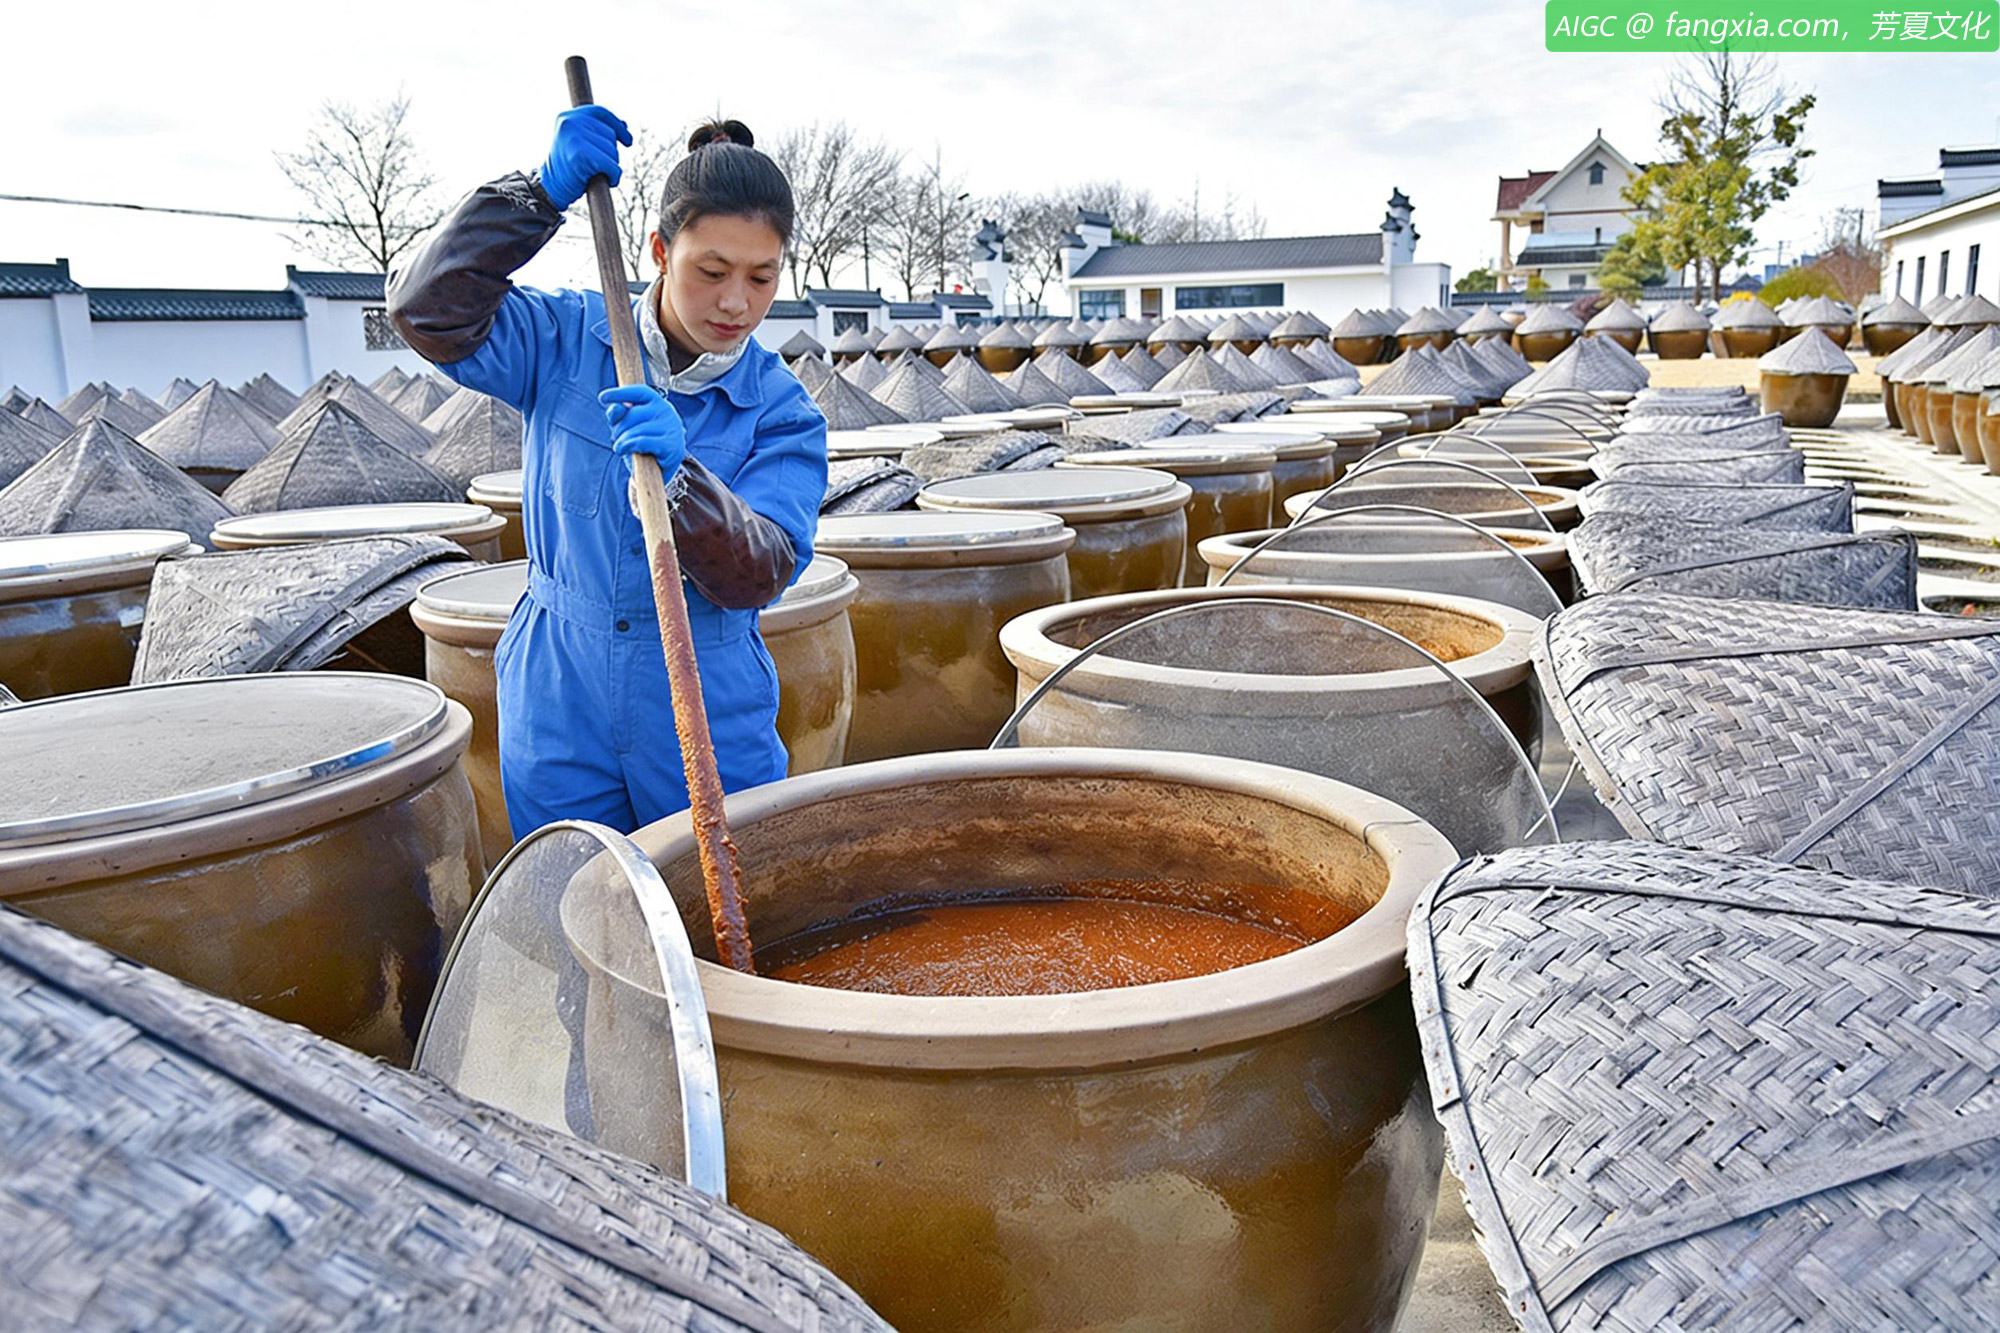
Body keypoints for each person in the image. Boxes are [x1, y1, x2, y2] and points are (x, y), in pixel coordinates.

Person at [388, 108, 827, 836]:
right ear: (659, 249)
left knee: (721, 910)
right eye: (712, 271)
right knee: (577, 901)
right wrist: (535, 195)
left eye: (761, 277)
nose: (735, 302)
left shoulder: (780, 409)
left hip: (704, 694)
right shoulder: (564, 340)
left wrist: (683, 485)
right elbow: (425, 312)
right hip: (560, 688)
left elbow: (763, 570)